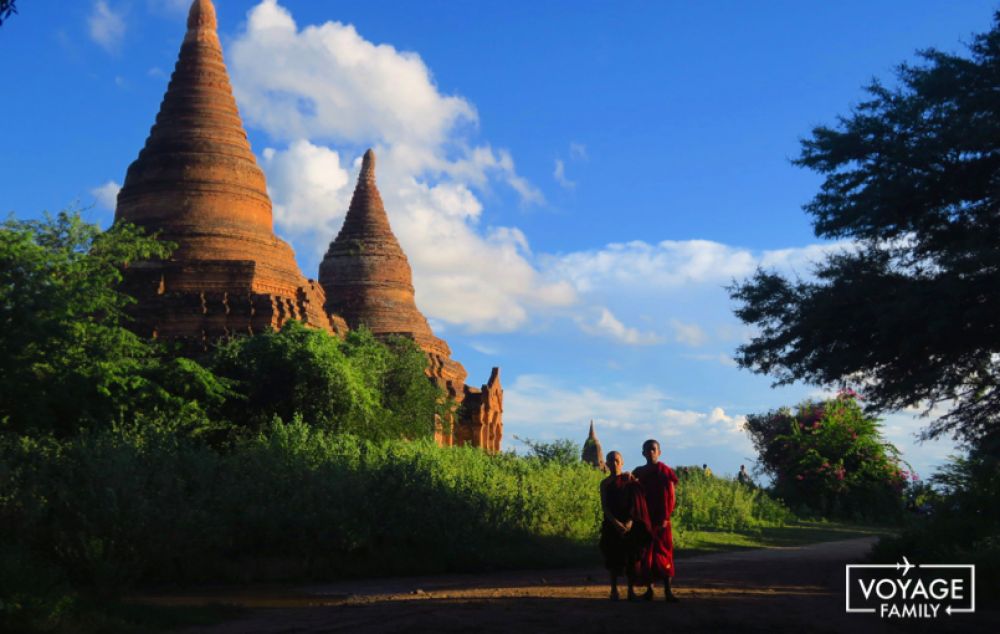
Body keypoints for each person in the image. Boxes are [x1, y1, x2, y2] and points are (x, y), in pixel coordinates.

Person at [599, 451, 652, 600]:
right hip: (611, 524)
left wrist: (630, 521)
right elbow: (605, 507)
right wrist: (615, 523)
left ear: (622, 463)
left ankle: (630, 591)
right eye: (610, 461)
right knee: (613, 557)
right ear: (606, 464)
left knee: (631, 558)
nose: (614, 464)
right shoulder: (605, 484)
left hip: (630, 523)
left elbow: (637, 503)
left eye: (617, 461)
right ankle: (614, 590)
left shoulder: (629, 481)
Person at [633, 439, 680, 602]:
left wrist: (666, 517)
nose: (651, 452)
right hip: (645, 519)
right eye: (647, 449)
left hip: (661, 519)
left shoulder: (664, 471)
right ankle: (650, 590)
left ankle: (668, 590)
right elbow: (631, 490)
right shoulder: (639, 471)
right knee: (646, 555)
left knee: (663, 554)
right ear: (643, 453)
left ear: (659, 452)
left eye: (654, 449)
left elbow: (671, 496)